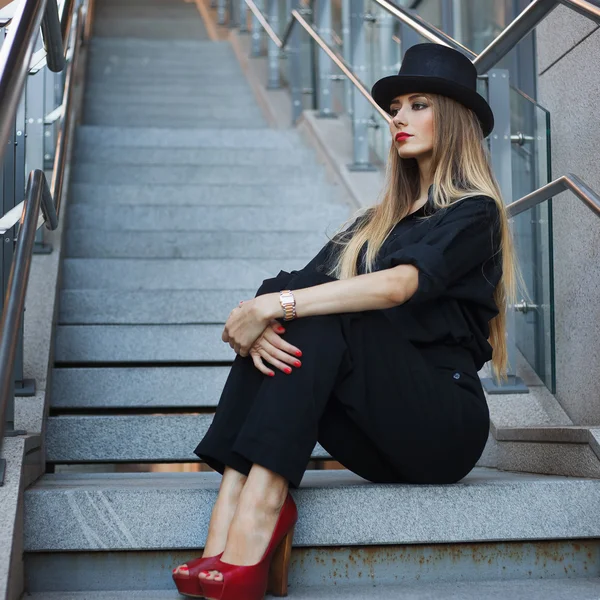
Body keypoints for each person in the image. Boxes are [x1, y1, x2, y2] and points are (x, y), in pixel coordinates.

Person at [172, 42, 517, 600]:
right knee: (301, 305)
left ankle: (254, 514)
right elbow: (288, 290)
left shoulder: (474, 212)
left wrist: (276, 308)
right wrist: (257, 313)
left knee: (322, 308)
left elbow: (399, 285)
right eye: (397, 106)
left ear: (453, 119)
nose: (398, 118)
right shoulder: (373, 222)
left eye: (418, 104)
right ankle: (232, 513)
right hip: (376, 432)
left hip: (441, 425)